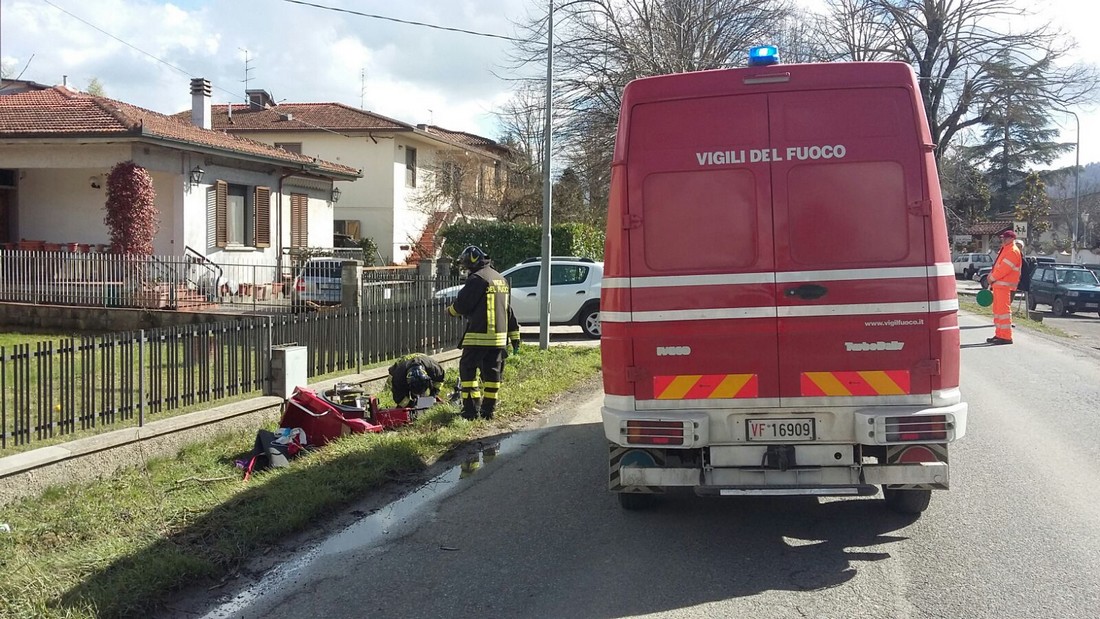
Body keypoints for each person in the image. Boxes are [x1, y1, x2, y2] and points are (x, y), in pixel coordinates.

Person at [445, 245, 521, 420]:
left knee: (468, 370)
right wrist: (514, 336)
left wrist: (450, 311)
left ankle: (471, 411)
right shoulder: (500, 278)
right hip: (499, 339)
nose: (466, 269)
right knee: (492, 374)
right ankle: (488, 411)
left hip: (479, 335)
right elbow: (507, 310)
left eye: (466, 265)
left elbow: (463, 304)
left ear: (472, 261)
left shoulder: (477, 279)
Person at [987, 229, 1023, 345]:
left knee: (1003, 312)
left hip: (1004, 286)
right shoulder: (1006, 249)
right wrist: (992, 277)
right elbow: (999, 266)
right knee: (998, 311)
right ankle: (999, 334)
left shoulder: (1012, 251)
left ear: (1012, 239)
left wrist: (992, 278)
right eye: (1002, 238)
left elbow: (1003, 269)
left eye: (1005, 238)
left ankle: (1006, 336)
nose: (1002, 240)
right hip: (999, 285)